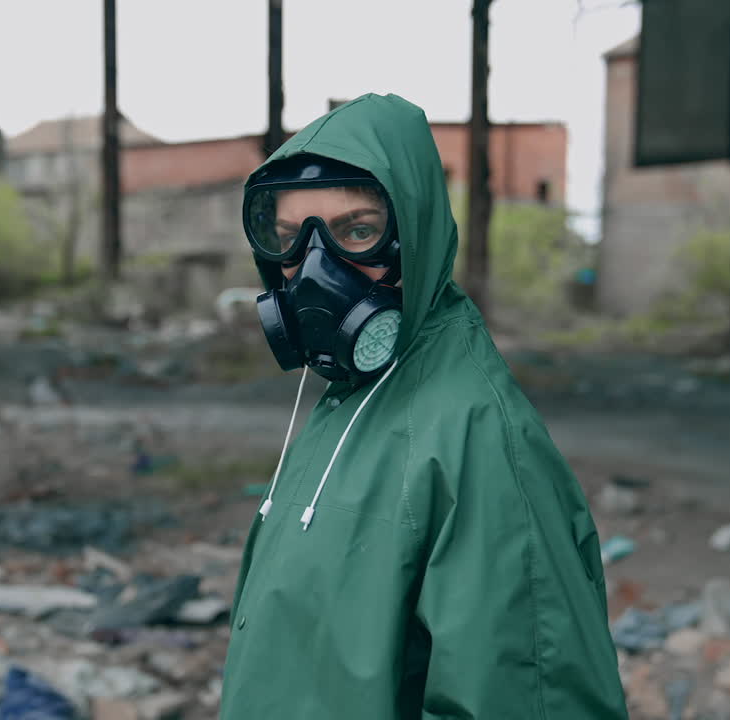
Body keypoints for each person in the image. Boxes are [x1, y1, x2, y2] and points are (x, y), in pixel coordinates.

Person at [218, 93, 628, 719]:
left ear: (420, 232)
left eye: (358, 231)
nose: (315, 271)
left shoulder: (480, 440)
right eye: (290, 240)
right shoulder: (352, 398)